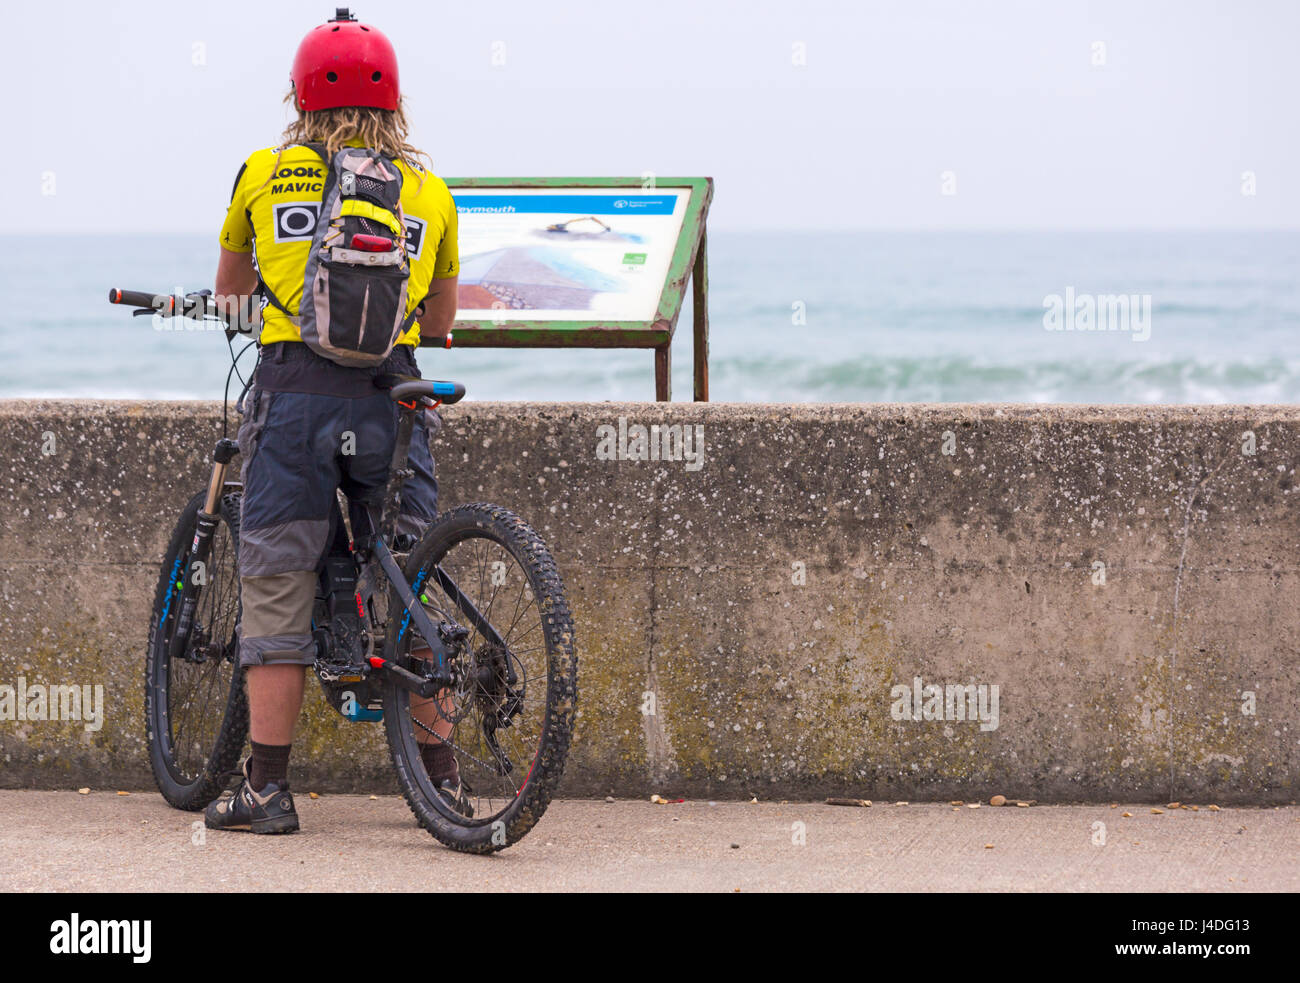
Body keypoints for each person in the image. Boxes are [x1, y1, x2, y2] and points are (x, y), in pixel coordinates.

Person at [204, 8, 460, 834]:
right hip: (395, 399)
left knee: (278, 580)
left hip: (295, 398)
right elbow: (442, 319)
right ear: (395, 104)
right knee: (414, 573)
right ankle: (446, 785)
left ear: (300, 95)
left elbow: (232, 294)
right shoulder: (429, 192)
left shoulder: (262, 171)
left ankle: (268, 790)